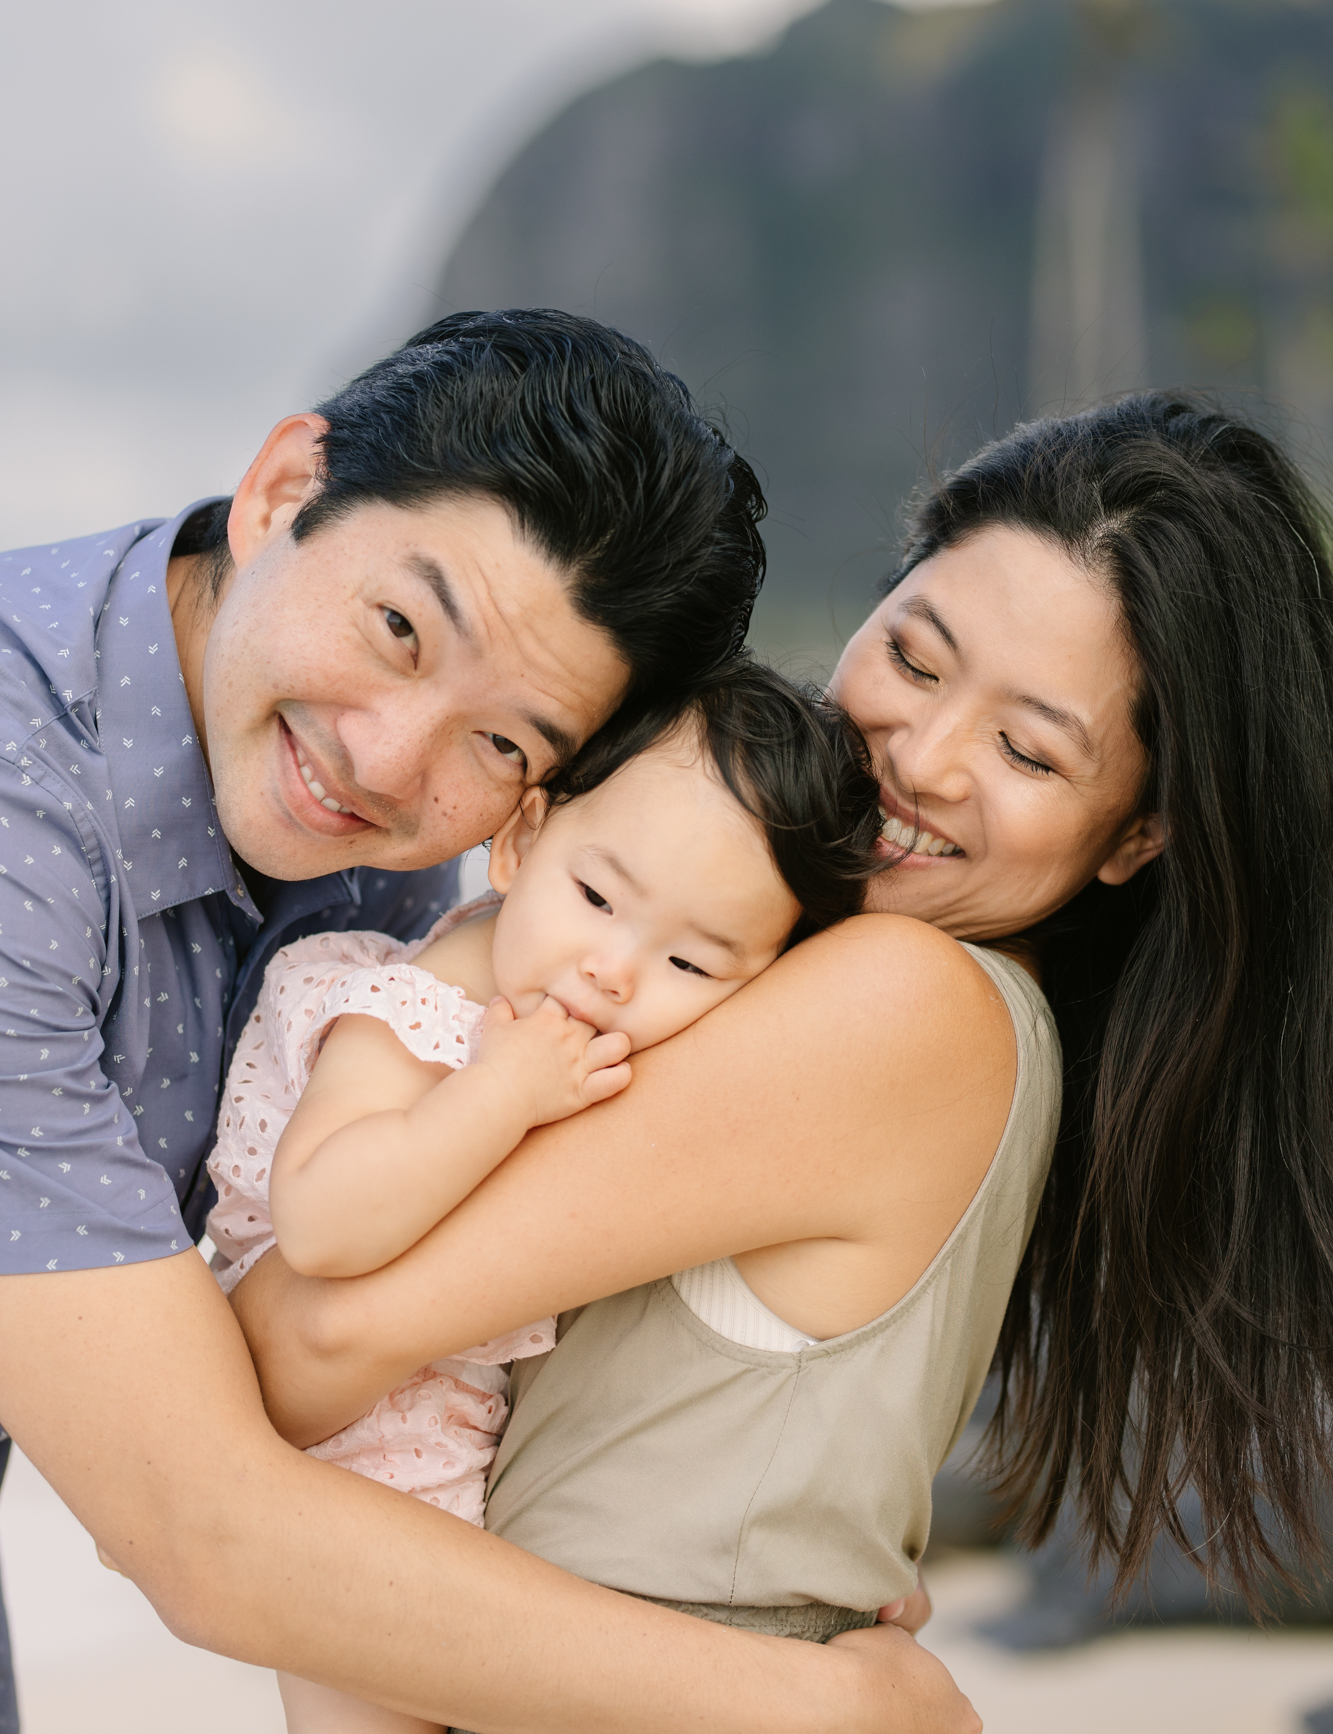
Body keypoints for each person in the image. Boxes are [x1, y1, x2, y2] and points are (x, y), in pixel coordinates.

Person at [0, 308, 979, 1734]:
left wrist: (751, 1556)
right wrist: (812, 1707)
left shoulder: (402, 864)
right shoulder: (26, 800)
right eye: (399, 627)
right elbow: (195, 1523)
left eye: (503, 741)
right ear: (283, 491)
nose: (389, 763)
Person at [236, 392, 1333, 1661]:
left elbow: (308, 1337)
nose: (919, 754)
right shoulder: (891, 995)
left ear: (1140, 833)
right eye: (915, 659)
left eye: (1028, 752)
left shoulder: (899, 998)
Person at [202, 663, 882, 1732]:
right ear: (519, 842)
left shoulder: (578, 1017)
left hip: (480, 1434)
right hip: (352, 1463)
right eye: (598, 897)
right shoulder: (408, 1013)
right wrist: (496, 1093)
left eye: (692, 961)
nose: (613, 968)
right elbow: (324, 1226)